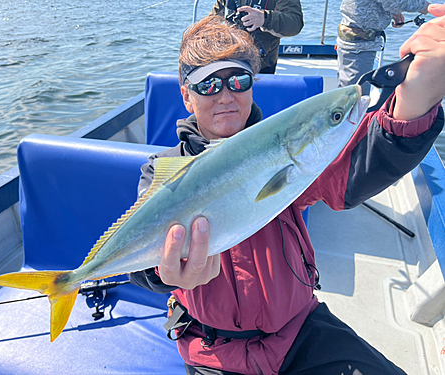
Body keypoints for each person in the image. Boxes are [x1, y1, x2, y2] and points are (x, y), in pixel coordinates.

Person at [129, 10, 445, 375]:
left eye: (238, 81)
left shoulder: (285, 152)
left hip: (301, 333)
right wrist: (163, 273)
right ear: (186, 96)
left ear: (252, 85)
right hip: (212, 349)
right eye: (207, 85)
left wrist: (418, 97)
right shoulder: (164, 172)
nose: (225, 95)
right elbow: (140, 258)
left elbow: (358, 164)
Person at [337, 0, 430, 96]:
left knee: (350, 95)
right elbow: (396, 2)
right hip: (358, 47)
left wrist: (394, 12)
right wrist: (426, 6)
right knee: (354, 98)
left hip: (359, 43)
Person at [209, 0, 303, 74]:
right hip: (227, 63)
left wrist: (264, 18)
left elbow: (295, 23)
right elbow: (211, 21)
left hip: (261, 67)